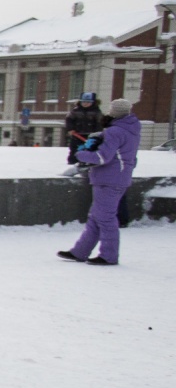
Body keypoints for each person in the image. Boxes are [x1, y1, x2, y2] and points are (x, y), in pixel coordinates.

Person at [60, 97, 139, 266]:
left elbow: (102, 157)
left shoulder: (114, 131)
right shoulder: (130, 130)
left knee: (105, 218)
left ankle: (109, 255)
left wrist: (80, 154)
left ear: (114, 112)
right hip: (117, 177)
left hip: (108, 179)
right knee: (96, 217)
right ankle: (80, 252)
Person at [64, 91, 105, 167]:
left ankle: (88, 161)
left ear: (93, 102)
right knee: (74, 148)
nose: (85, 103)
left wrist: (97, 133)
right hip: (77, 134)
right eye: (83, 102)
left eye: (88, 102)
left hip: (91, 135)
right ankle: (73, 161)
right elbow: (69, 120)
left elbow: (100, 123)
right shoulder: (75, 111)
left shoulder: (97, 112)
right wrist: (70, 129)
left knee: (91, 148)